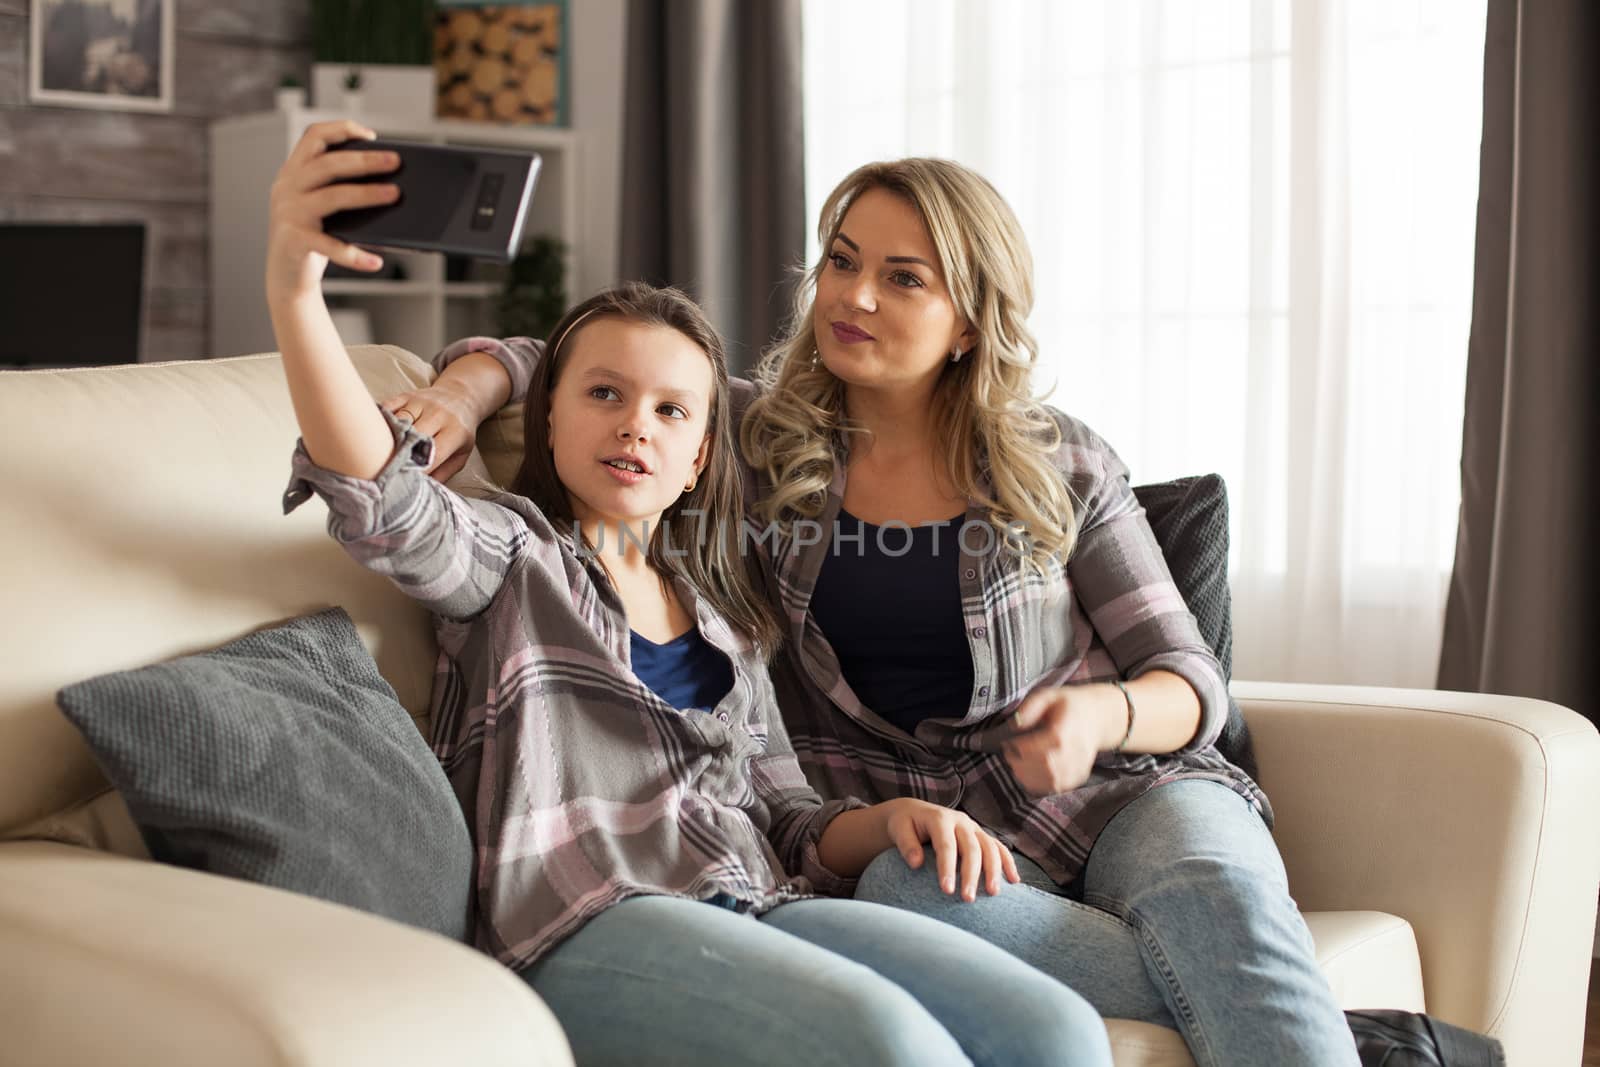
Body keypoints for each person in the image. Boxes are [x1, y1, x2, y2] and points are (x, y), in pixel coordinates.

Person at [265, 123, 1114, 1067]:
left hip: (754, 899)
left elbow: (791, 820)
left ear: (702, 452)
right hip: (584, 919)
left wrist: (891, 823)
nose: (637, 425)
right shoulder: (510, 559)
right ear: (547, 413)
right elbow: (383, 498)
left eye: (671, 410)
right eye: (603, 394)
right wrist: (297, 290)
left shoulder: (729, 618)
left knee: (1054, 1028)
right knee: (891, 1044)